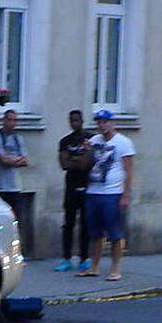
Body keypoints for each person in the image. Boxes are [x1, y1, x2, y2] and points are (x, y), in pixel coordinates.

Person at [77, 109, 135, 281]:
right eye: (99, 122)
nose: (102, 125)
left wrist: (126, 194)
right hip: (93, 191)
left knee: (114, 232)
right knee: (95, 233)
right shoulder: (94, 141)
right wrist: (87, 151)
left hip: (112, 192)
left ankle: (115, 268)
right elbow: (84, 165)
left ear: (112, 123)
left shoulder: (123, 142)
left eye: (105, 122)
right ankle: (94, 267)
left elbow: (129, 169)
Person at [55, 109, 93, 272]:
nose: (74, 123)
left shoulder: (90, 138)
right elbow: (64, 164)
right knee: (68, 222)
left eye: (77, 120)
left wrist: (75, 160)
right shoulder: (65, 141)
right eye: (72, 120)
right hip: (70, 184)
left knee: (85, 223)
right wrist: (78, 160)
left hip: (87, 184)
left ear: (82, 121)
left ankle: (85, 258)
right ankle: (66, 258)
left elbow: (87, 163)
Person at [0, 108, 29, 221]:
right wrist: (17, 160)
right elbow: (3, 160)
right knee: (2, 219)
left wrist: (12, 160)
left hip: (16, 186)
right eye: (10, 120)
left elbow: (26, 161)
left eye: (14, 120)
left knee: (17, 219)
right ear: (4, 120)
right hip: (1, 186)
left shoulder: (18, 138)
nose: (12, 123)